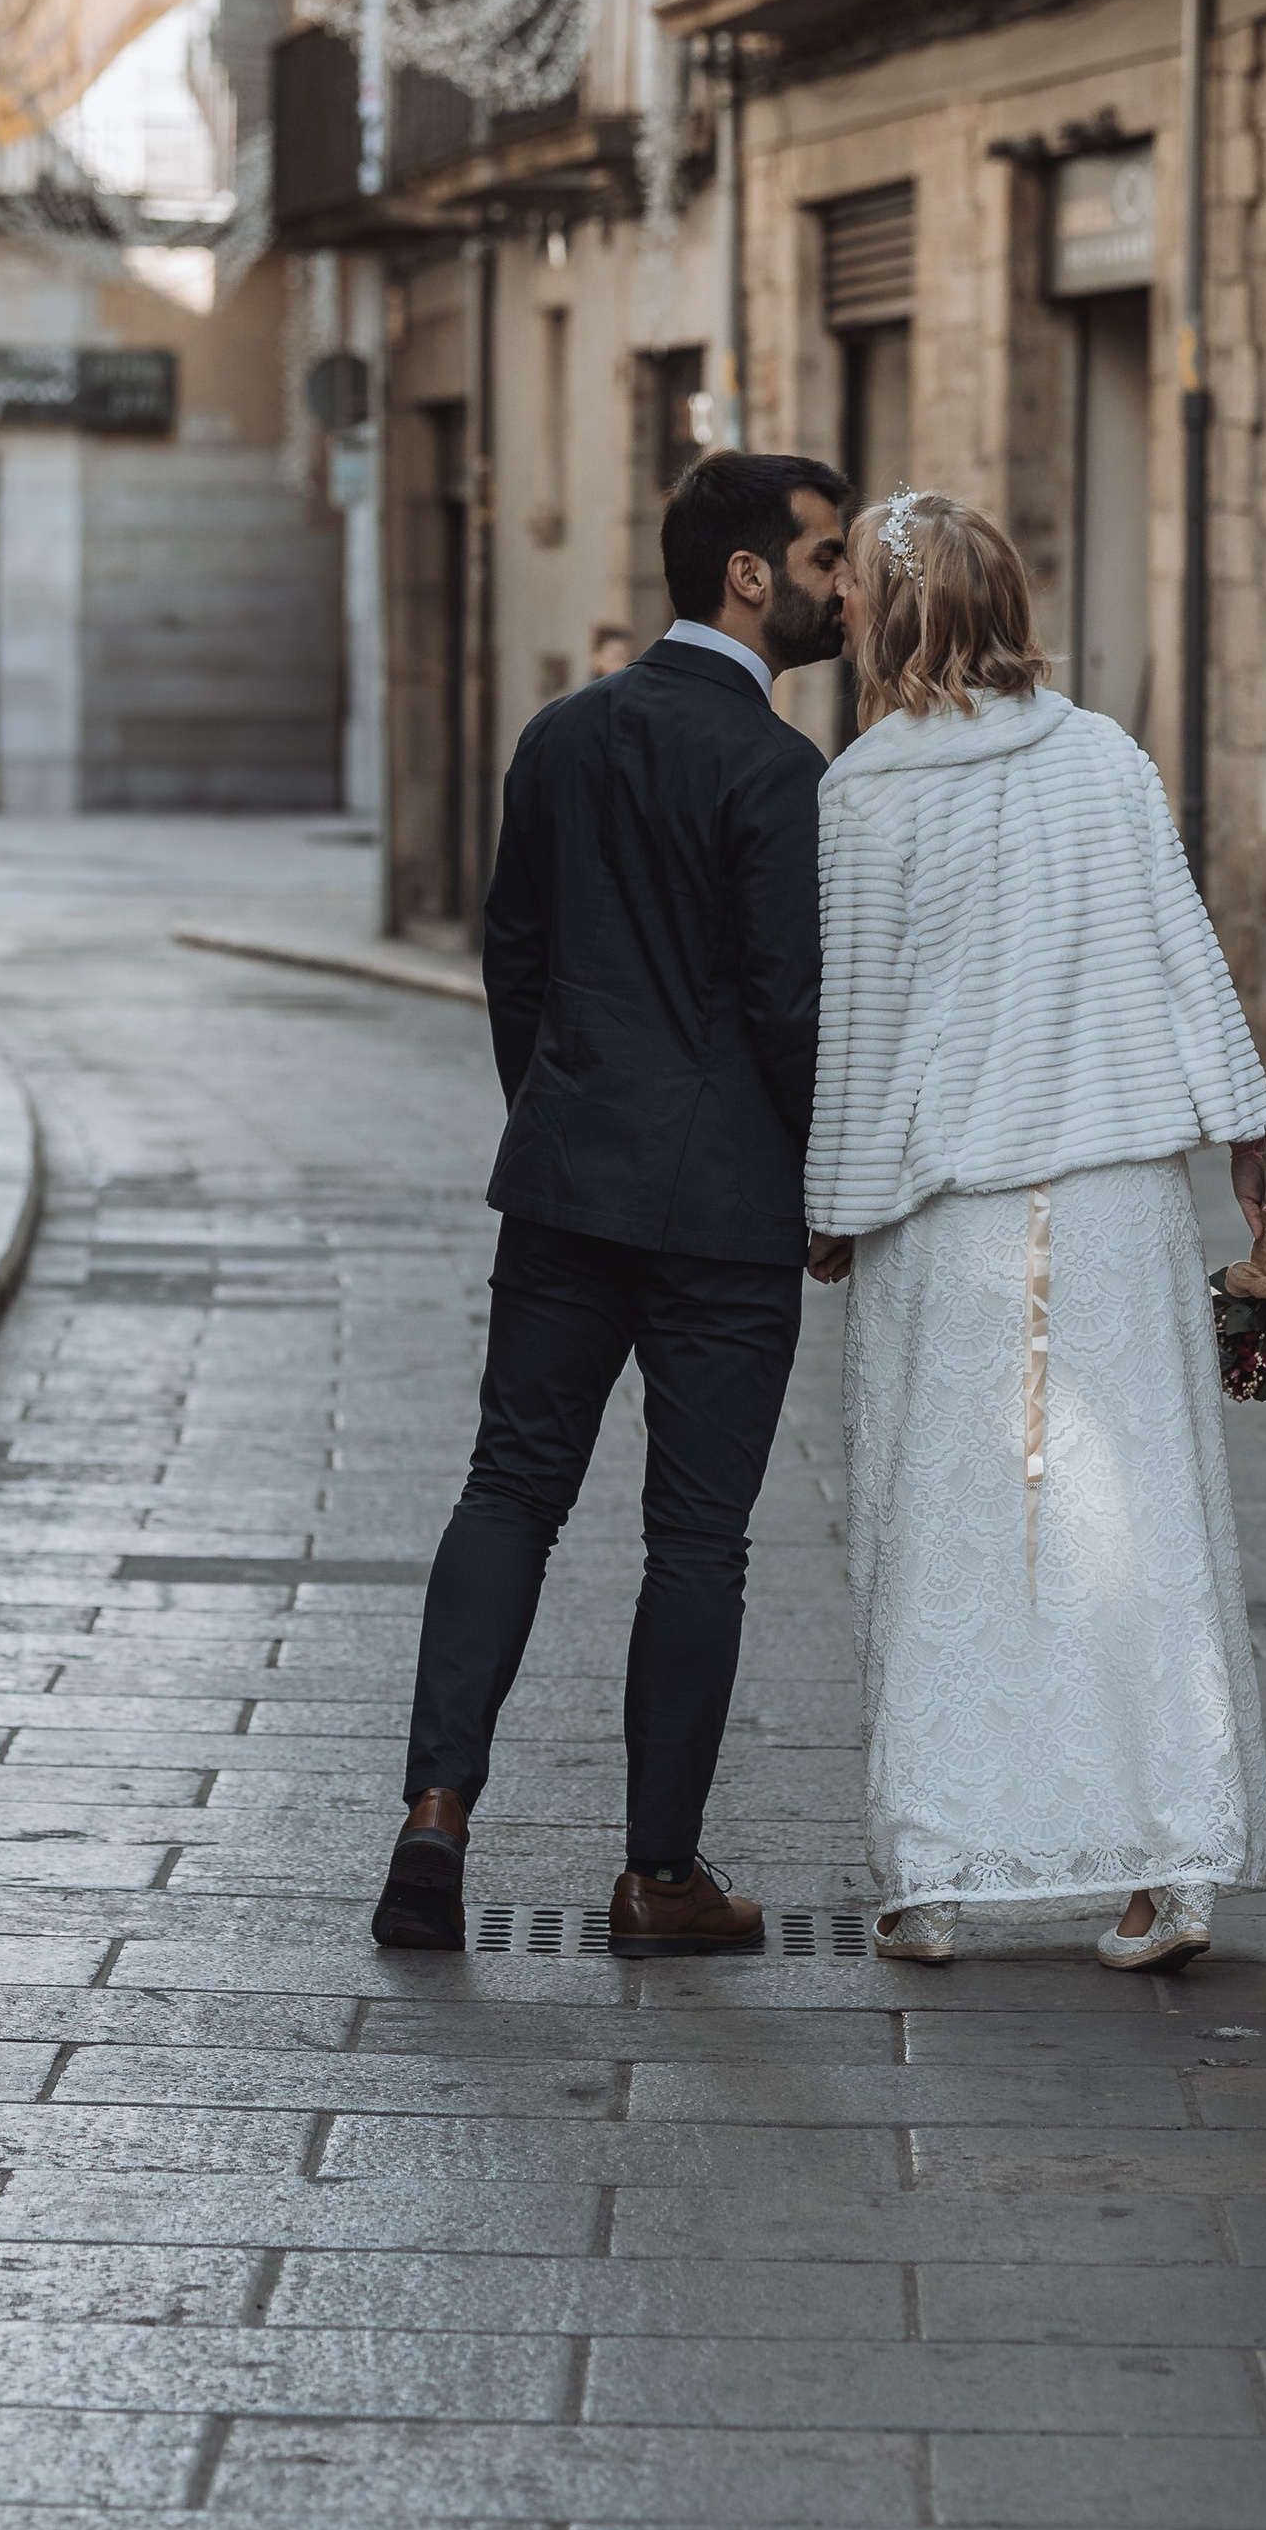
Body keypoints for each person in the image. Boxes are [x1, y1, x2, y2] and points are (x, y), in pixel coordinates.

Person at [803, 488, 1266, 1973]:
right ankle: (1164, 1867)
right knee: (1134, 1521)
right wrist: (1253, 1134)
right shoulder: (1108, 760)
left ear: (894, 621)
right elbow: (1182, 954)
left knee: (938, 1530)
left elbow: (860, 1027)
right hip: (1111, 1204)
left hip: (948, 1218)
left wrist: (829, 1209)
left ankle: (932, 1867)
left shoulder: (868, 787)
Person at [373, 450, 850, 1957]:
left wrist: (565, 1113)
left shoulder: (560, 738)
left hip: (568, 1189)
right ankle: (658, 1879)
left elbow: (515, 963)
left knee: (510, 1487)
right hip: (723, 1219)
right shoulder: (778, 775)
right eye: (829, 559)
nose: (849, 587)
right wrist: (828, 1186)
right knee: (697, 1540)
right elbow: (790, 1011)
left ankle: (433, 1824)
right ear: (751, 576)